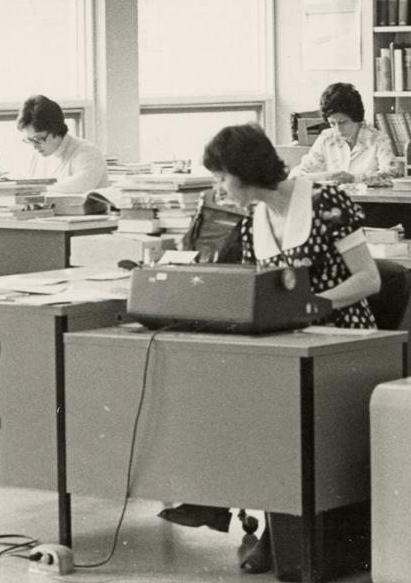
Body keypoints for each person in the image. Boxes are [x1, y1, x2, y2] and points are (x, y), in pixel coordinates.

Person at [161, 123, 382, 572]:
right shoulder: (252, 223)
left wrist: (313, 304)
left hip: (343, 342)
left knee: (272, 414)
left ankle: (261, 522)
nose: (219, 188)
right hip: (287, 345)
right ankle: (241, 508)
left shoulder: (326, 203)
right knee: (227, 398)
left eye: (223, 177)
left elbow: (370, 279)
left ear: (244, 172)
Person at [291, 82, 398, 185]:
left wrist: (354, 178)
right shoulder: (327, 138)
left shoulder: (378, 139)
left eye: (343, 122)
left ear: (356, 118)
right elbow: (299, 173)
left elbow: (392, 174)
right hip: (334, 200)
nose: (338, 130)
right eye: (332, 123)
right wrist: (327, 176)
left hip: (367, 202)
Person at [16, 94, 106, 194]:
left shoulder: (89, 153)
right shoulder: (36, 158)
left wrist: (31, 189)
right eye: (29, 140)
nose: (34, 147)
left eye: (38, 139)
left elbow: (77, 188)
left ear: (55, 129)